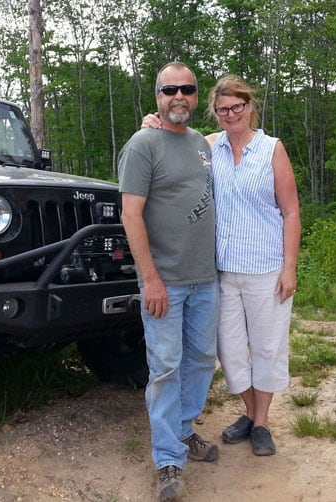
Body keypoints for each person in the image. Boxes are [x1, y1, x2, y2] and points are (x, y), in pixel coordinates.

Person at [143, 75, 301, 457]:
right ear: (215, 113)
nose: (231, 114)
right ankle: (248, 412)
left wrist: (289, 266)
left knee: (266, 349)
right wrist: (154, 124)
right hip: (222, 272)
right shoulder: (208, 148)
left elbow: (292, 210)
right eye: (223, 109)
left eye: (238, 107)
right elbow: (177, 138)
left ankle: (261, 422)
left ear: (250, 107)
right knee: (229, 354)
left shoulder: (271, 149)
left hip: (266, 268)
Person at [118, 61, 220, 502]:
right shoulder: (143, 145)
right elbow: (130, 214)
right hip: (166, 282)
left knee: (200, 361)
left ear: (196, 97)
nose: (179, 96)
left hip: (205, 279)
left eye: (188, 89)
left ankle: (182, 431)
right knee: (165, 369)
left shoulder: (202, 144)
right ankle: (167, 460)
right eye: (169, 89)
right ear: (157, 96)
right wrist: (151, 279)